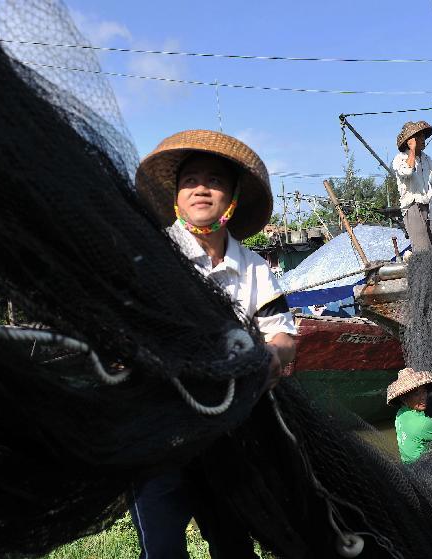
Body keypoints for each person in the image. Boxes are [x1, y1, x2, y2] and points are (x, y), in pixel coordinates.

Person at [132, 130, 298, 559]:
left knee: (234, 543)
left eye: (215, 180)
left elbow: (280, 333)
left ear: (233, 197)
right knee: (163, 548)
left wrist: (273, 358)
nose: (202, 188)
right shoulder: (151, 258)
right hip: (160, 434)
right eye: (191, 180)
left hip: (234, 434)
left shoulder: (255, 268)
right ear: (176, 195)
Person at [386, 367, 432, 463]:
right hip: (421, 467)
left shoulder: (400, 414)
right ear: (404, 398)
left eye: (424, 391)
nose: (423, 397)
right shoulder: (423, 424)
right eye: (417, 394)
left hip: (406, 464)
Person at [392, 121, 432, 251]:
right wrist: (412, 150)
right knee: (423, 249)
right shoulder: (400, 158)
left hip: (431, 207)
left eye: (423, 137)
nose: (423, 140)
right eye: (419, 137)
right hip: (413, 207)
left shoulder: (427, 159)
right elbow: (408, 171)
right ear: (410, 141)